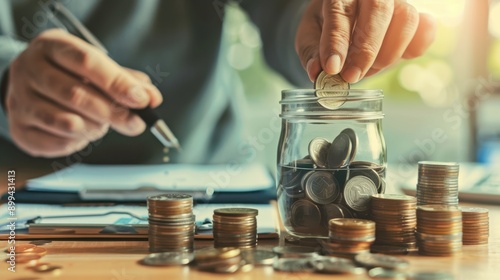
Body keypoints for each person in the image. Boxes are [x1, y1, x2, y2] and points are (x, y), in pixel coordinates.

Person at [0, 0, 435, 166]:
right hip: (16, 186)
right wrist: (5, 79)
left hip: (208, 180)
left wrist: (317, 19)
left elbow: (285, 12)